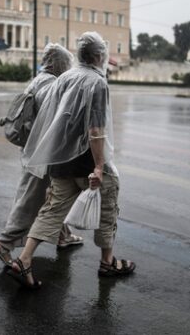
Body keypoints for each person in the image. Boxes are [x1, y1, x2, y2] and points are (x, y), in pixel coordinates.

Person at [9, 32, 135, 289]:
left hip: (61, 162)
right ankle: (107, 262)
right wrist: (99, 166)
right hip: (88, 162)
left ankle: (23, 259)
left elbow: (52, 118)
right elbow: (96, 129)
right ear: (99, 56)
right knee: (107, 208)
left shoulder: (65, 78)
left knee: (51, 212)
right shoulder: (97, 83)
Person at [0, 44, 83, 266]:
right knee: (31, 200)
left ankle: (63, 234)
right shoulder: (51, 85)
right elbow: (56, 120)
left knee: (56, 195)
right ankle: (4, 243)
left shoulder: (38, 79)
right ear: (59, 64)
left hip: (34, 149)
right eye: (66, 64)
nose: (68, 67)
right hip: (42, 153)